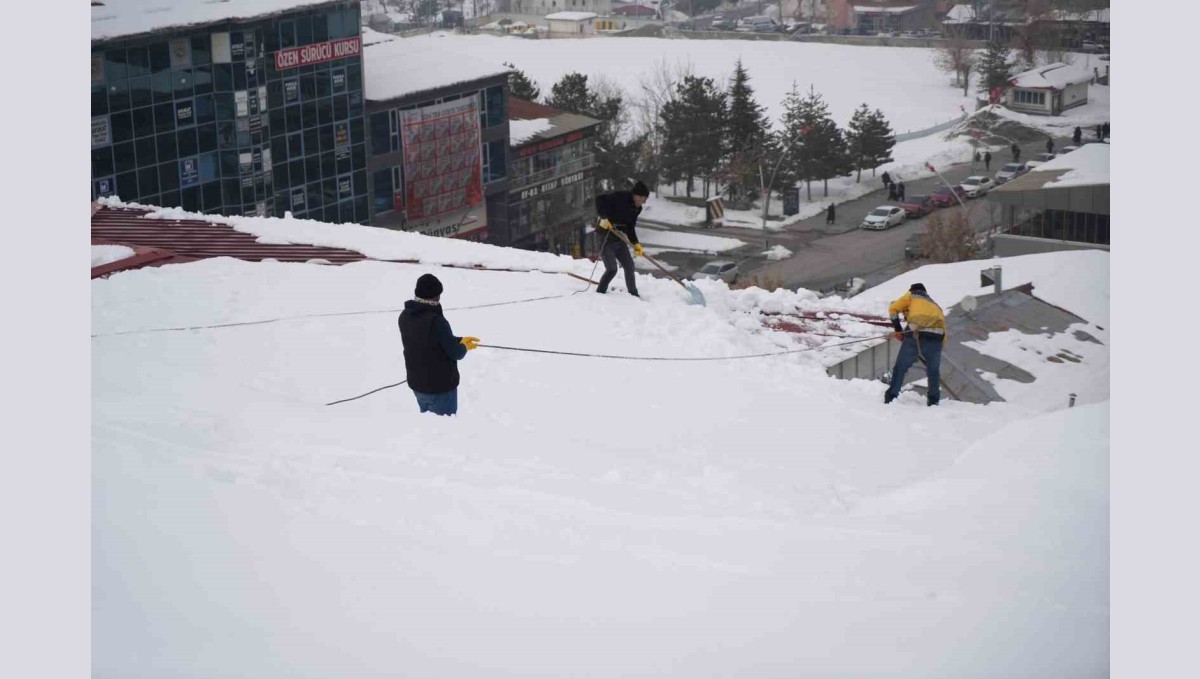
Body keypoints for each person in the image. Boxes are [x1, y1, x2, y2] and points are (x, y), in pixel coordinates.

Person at [397, 274, 479, 416]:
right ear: (434, 296)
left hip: (417, 385)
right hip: (440, 388)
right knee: (444, 432)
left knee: (431, 430)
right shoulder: (436, 321)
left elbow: (428, 340)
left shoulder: (405, 315)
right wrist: (464, 346)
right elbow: (456, 353)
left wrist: (460, 339)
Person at [884, 282, 947, 407]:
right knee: (933, 371)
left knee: (900, 367)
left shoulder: (912, 294)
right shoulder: (936, 306)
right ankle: (934, 401)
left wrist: (898, 329)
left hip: (915, 332)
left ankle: (891, 396)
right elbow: (944, 335)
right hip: (937, 337)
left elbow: (893, 309)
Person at [594, 180, 649, 297]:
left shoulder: (637, 209)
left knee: (629, 266)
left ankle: (633, 294)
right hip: (604, 237)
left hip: (619, 238)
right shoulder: (620, 197)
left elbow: (630, 227)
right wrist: (603, 217)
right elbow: (599, 200)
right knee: (612, 269)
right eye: (644, 198)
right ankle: (600, 294)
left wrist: (636, 244)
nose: (644, 202)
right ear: (637, 196)